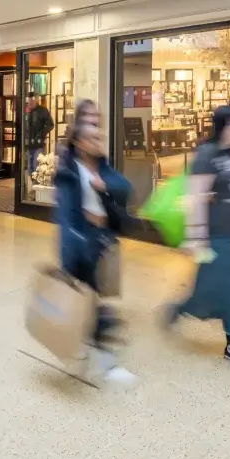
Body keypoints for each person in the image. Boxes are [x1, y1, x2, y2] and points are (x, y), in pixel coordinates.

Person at [163, 104, 230, 370]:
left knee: (209, 289)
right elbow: (196, 196)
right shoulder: (207, 154)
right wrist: (195, 236)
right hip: (217, 236)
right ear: (224, 126)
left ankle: (179, 309)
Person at [54, 100, 135, 384]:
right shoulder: (67, 170)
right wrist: (73, 249)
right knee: (90, 305)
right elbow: (66, 215)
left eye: (98, 130)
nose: (97, 137)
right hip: (79, 245)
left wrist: (105, 185)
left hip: (98, 241)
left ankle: (90, 348)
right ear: (77, 140)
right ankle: (105, 359)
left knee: (91, 302)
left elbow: (125, 188)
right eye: (90, 132)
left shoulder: (101, 165)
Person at [25, 92, 54, 177]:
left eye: (33, 100)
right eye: (29, 100)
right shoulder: (25, 110)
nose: (31, 102)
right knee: (30, 168)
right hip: (27, 144)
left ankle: (36, 186)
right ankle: (34, 186)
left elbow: (50, 124)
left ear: (36, 100)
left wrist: (41, 133)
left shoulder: (42, 110)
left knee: (36, 167)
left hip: (39, 144)